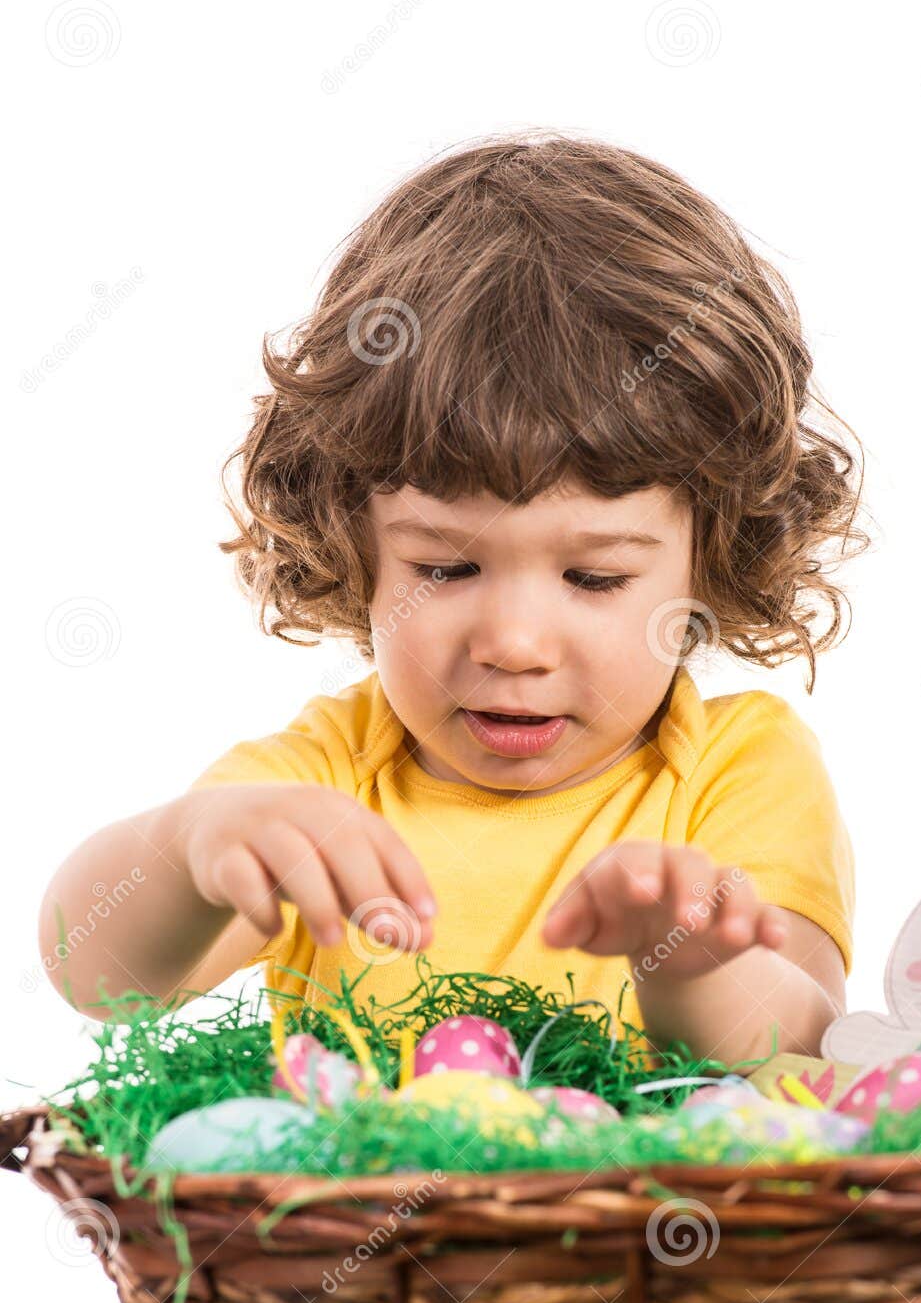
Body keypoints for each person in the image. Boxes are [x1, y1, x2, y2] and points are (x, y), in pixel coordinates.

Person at [39, 131, 868, 1069]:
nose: (513, 642)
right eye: (443, 569)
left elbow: (804, 1048)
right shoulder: (332, 774)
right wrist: (189, 848)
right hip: (366, 1221)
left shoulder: (738, 765)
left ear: (707, 558)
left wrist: (686, 960)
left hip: (657, 1221)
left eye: (594, 579)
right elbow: (92, 970)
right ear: (358, 545)